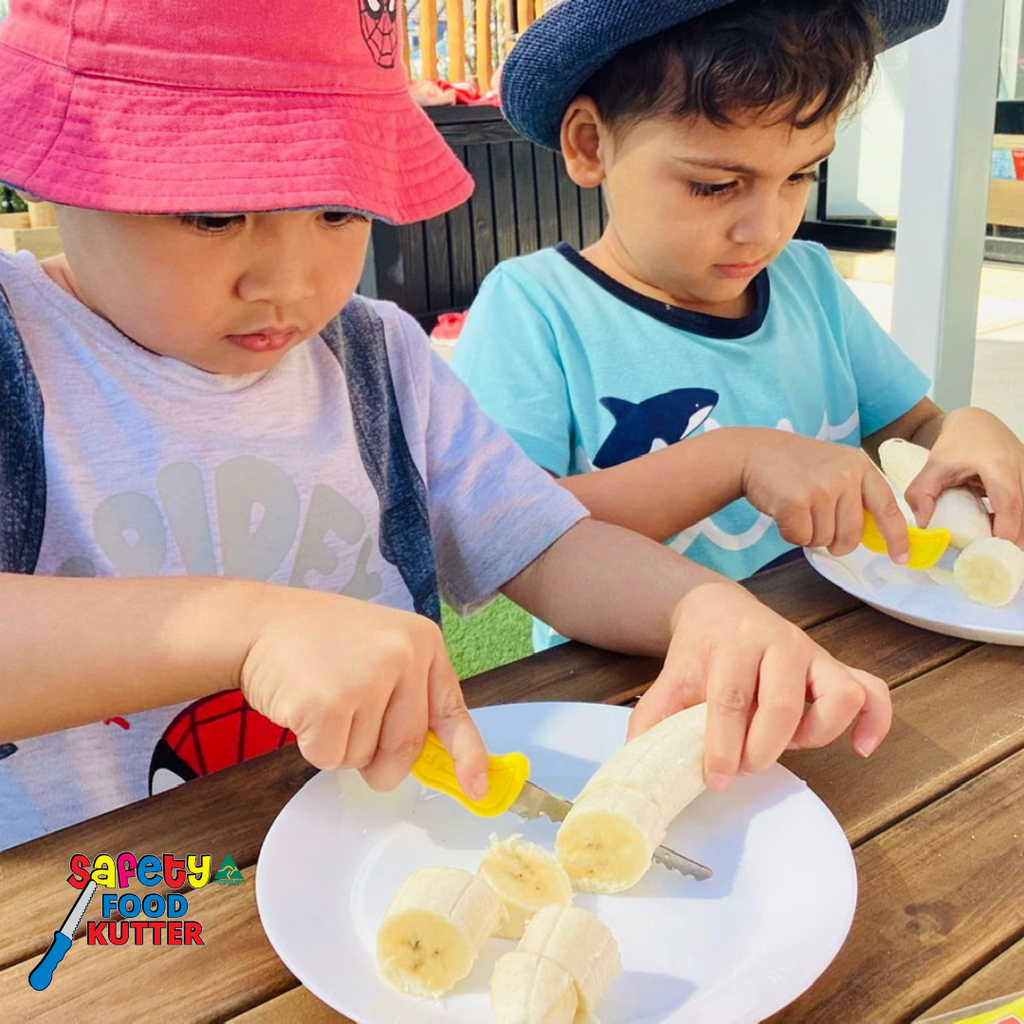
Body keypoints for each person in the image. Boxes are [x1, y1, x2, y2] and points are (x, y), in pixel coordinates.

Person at [0, 0, 890, 851]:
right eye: (213, 214)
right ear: (54, 169)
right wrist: (246, 628)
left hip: (375, 851)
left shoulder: (376, 358)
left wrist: (702, 609)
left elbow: (547, 544)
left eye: (337, 210)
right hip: (102, 904)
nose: (287, 278)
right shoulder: (19, 347)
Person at [451, 0, 1024, 652]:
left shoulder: (809, 285)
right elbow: (498, 534)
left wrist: (965, 430)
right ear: (590, 144)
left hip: (840, 660)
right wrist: (735, 461)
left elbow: (914, 427)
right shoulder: (538, 310)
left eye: (800, 174)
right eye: (716, 184)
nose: (767, 228)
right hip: (634, 691)